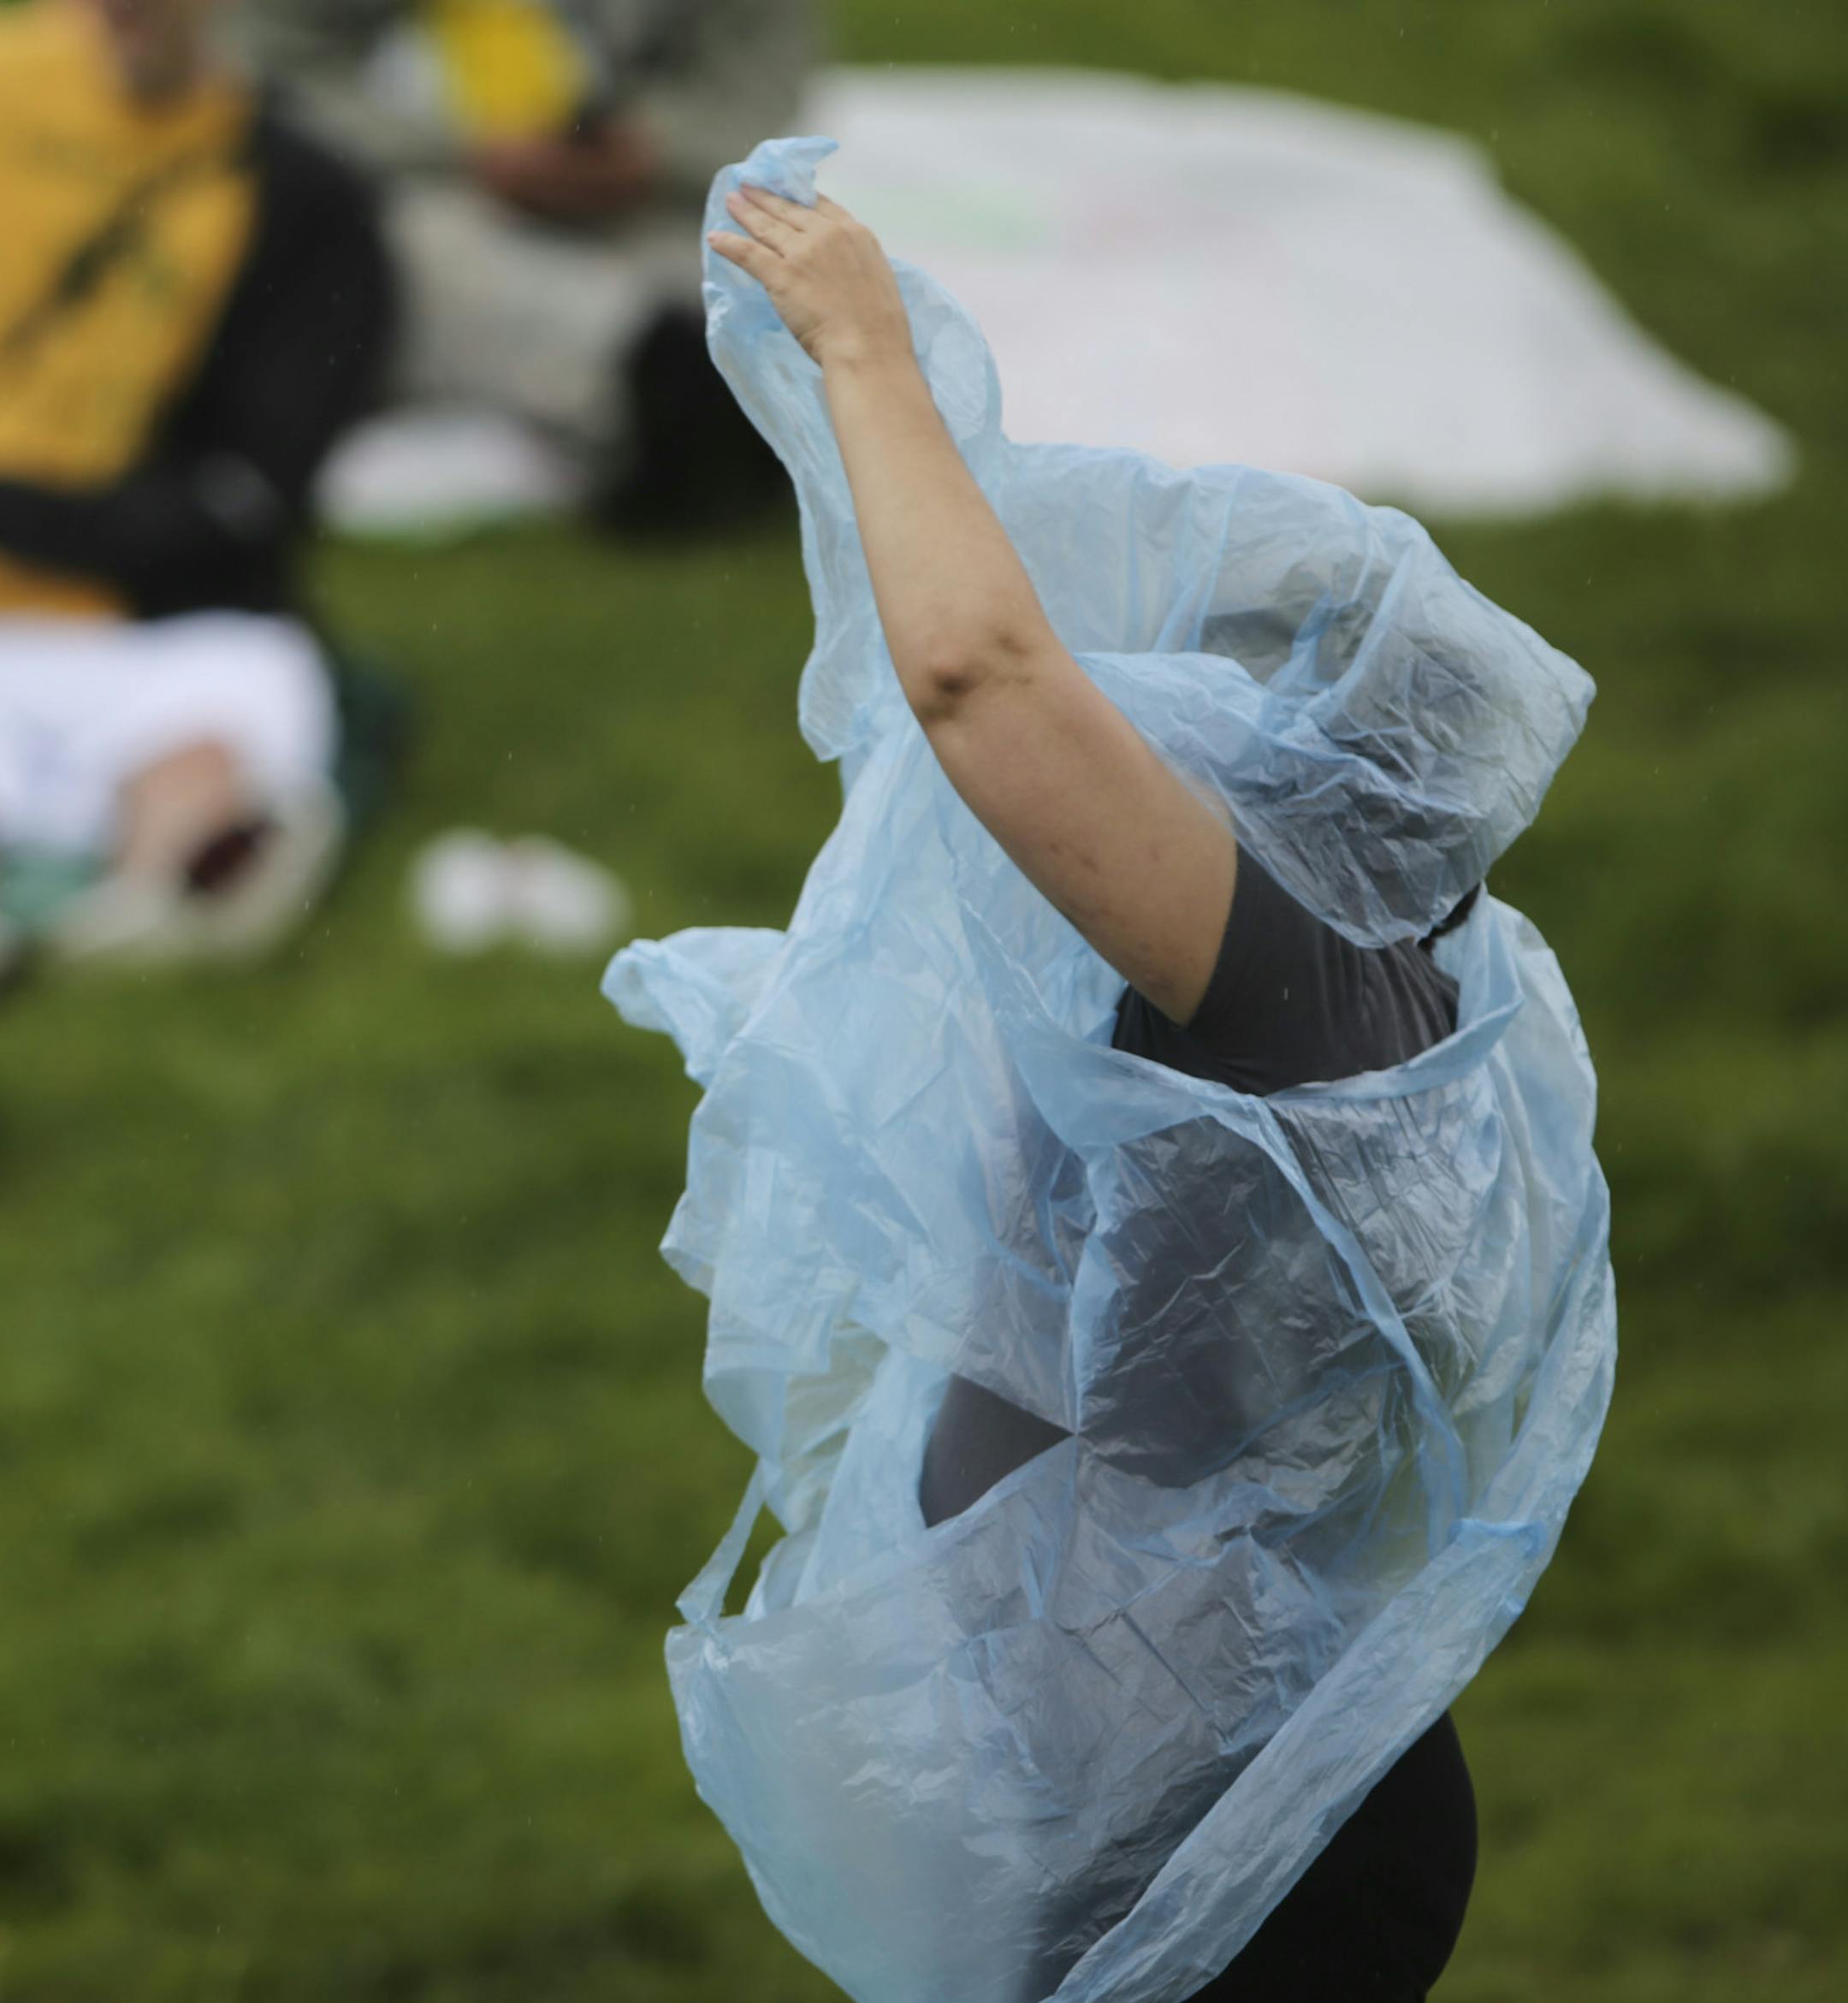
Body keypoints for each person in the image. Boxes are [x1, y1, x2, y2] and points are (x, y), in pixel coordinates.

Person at [609, 145, 1614, 2003]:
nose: (1148, 722)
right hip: (1182, 1786)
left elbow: (987, 687)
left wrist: (870, 357)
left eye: (1207, 705)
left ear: (1313, 779)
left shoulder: (1295, 999)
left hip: (1236, 1844)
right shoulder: (1321, 965)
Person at [0, 0, 395, 968]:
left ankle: (152, 895)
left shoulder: (301, 194)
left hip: (155, 628)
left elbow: (246, 500)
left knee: (234, 717)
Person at [234, 0, 814, 527]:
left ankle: (703, 391)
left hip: (641, 190)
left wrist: (646, 150)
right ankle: (660, 389)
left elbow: (750, 90)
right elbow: (266, 88)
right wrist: (466, 149)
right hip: (420, 178)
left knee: (763, 247)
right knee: (379, 251)